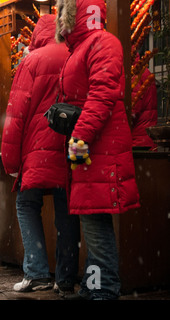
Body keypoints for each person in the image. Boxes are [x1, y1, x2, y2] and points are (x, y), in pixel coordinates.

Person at [55, 0, 140, 300]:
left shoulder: (102, 42)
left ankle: (104, 291)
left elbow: (101, 95)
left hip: (98, 147)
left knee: (95, 224)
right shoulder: (81, 48)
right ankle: (93, 288)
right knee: (92, 219)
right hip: (91, 148)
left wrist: (79, 137)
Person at [1, 14, 80, 296]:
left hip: (36, 149)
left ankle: (36, 273)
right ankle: (66, 278)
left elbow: (16, 114)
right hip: (70, 145)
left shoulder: (31, 60)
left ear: (37, 34)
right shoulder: (74, 53)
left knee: (26, 204)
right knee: (67, 210)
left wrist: (10, 161)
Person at [131, 65, 158, 149]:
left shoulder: (134, 74)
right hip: (145, 138)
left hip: (137, 142)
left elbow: (132, 111)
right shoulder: (141, 72)